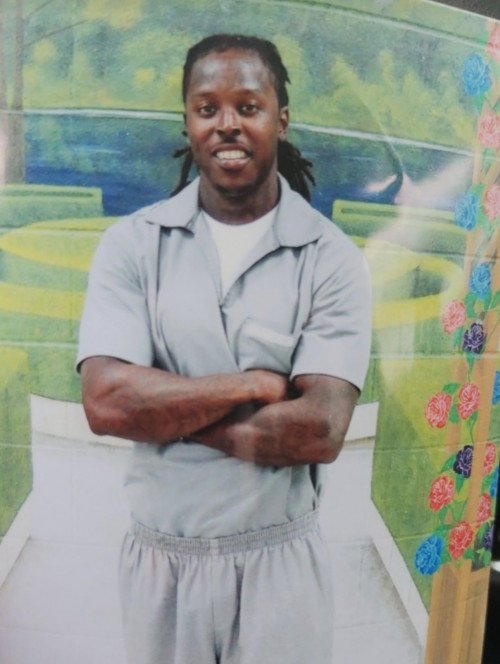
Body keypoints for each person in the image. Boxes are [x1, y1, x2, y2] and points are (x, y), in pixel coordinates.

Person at [77, 33, 372, 664]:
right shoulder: (132, 245)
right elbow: (105, 404)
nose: (227, 124)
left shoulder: (331, 259)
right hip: (160, 563)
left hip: (279, 567)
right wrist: (250, 385)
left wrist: (164, 415)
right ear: (187, 122)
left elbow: (318, 430)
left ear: (281, 120)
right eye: (207, 108)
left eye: (248, 106)